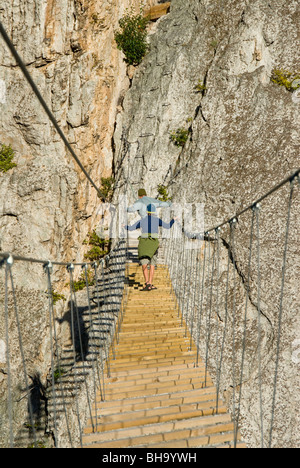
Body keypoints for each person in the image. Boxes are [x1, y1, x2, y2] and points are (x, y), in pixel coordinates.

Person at [125, 204, 176, 291]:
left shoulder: (142, 220)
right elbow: (168, 226)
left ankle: (147, 283)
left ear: (147, 212)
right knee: (152, 264)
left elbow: (131, 228)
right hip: (153, 244)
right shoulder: (157, 220)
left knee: (144, 262)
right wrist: (173, 220)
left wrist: (124, 226)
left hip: (144, 244)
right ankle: (150, 283)